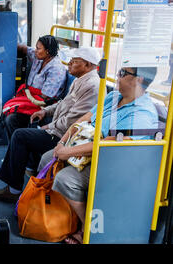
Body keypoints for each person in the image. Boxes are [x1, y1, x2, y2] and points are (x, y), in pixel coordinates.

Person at [37, 66, 159, 244]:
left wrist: (67, 152)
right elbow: (83, 119)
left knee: (66, 179)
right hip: (87, 149)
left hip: (112, 163)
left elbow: (107, 143)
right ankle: (63, 215)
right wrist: (62, 143)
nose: (117, 76)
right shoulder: (114, 96)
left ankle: (90, 228)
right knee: (48, 158)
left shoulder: (142, 113)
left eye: (123, 73)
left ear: (138, 79)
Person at [0, 47, 102, 203]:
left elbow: (74, 120)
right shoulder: (79, 80)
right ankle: (28, 168)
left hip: (64, 136)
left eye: (74, 61)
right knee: (21, 122)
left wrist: (48, 127)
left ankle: (13, 189)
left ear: (88, 65)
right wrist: (45, 111)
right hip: (57, 128)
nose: (69, 64)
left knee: (20, 136)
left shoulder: (92, 86)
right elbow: (64, 103)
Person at [4, 35, 67, 140]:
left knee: (11, 119)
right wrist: (5, 45)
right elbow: (24, 49)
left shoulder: (56, 69)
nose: (35, 50)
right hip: (30, 97)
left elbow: (46, 97)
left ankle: (17, 150)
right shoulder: (38, 57)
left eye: (38, 48)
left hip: (41, 104)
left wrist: (27, 96)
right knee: (7, 111)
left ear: (47, 51)